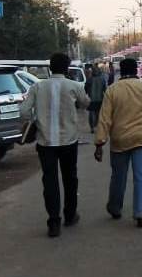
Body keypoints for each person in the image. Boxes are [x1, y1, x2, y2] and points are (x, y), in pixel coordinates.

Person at [19, 53, 91, 237]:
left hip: (45, 143)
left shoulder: (37, 86)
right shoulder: (74, 86)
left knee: (50, 181)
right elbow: (85, 103)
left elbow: (24, 111)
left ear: (50, 68)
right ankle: (70, 215)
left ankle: (53, 222)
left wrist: (36, 120)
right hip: (68, 141)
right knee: (70, 178)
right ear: (67, 69)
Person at [94, 58, 142, 228]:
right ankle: (141, 214)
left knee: (118, 176)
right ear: (136, 70)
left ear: (121, 70)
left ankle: (114, 208)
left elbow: (104, 119)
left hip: (119, 140)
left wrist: (99, 143)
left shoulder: (112, 90)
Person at [85, 65, 107, 134]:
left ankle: (92, 128)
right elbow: (105, 89)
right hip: (100, 99)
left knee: (91, 114)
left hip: (91, 99)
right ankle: (97, 126)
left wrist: (86, 94)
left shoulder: (89, 79)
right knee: (98, 114)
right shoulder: (102, 79)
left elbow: (85, 89)